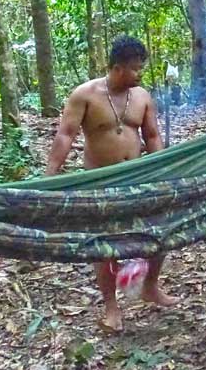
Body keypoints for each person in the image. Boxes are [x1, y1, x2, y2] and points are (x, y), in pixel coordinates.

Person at [45, 36, 176, 331]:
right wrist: (50, 177)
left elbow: (152, 136)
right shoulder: (85, 95)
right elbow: (66, 135)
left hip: (139, 177)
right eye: (135, 69)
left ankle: (150, 286)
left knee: (160, 231)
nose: (139, 74)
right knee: (104, 245)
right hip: (100, 180)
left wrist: (163, 169)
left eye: (141, 68)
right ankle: (111, 307)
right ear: (117, 68)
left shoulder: (142, 96)